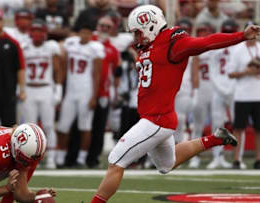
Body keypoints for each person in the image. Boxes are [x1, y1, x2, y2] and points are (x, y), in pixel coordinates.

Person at [90, 5, 260, 203]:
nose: (136, 38)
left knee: (116, 161)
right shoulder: (150, 46)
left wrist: (242, 35)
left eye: (138, 32)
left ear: (151, 26)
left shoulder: (173, 42)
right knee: (166, 165)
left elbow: (206, 42)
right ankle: (216, 139)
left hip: (157, 120)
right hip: (156, 117)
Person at [56, 24, 104, 168]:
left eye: (88, 33)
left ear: (92, 34)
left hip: (86, 91)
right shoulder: (71, 44)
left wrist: (94, 96)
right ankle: (60, 158)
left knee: (85, 126)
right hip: (71, 91)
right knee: (63, 126)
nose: (85, 35)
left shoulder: (95, 48)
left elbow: (97, 74)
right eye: (83, 32)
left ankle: (81, 159)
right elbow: (62, 53)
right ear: (79, 32)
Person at [20, 19, 62, 169]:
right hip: (30, 89)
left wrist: (58, 90)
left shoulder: (51, 47)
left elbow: (58, 70)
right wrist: (20, 89)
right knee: (29, 127)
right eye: (35, 31)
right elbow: (20, 71)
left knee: (49, 125)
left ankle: (51, 158)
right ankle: (30, 158)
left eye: (40, 31)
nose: (37, 34)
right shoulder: (24, 47)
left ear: (45, 33)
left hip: (46, 88)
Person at [87, 15, 120, 168]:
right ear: (97, 26)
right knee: (84, 126)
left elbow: (115, 72)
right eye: (102, 26)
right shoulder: (89, 42)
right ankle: (80, 156)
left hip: (103, 92)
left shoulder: (113, 49)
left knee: (99, 127)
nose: (104, 29)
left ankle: (93, 158)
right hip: (85, 90)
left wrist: (116, 92)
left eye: (108, 27)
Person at [207, 19, 239, 169]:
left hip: (235, 89)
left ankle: (237, 158)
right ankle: (217, 157)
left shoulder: (240, 48)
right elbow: (212, 70)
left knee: (238, 124)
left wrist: (231, 87)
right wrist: (220, 88)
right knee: (217, 123)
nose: (229, 35)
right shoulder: (215, 47)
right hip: (218, 90)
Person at [228, 21, 260, 170]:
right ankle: (236, 159)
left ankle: (258, 159)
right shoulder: (237, 50)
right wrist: (246, 72)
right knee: (238, 128)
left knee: (258, 129)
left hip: (258, 94)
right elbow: (231, 73)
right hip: (242, 95)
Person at [188, 22, 215, 169]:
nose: (203, 33)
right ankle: (194, 156)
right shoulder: (196, 49)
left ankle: (218, 156)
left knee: (218, 123)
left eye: (205, 31)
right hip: (202, 87)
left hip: (216, 87)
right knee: (198, 125)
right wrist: (195, 91)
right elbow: (194, 71)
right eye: (200, 31)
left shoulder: (215, 48)